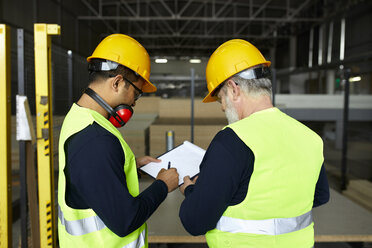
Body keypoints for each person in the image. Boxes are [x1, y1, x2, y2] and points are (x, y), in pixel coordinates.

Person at [179, 39, 330, 248]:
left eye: (220, 98)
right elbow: (320, 196)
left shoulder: (232, 141)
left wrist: (190, 190)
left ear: (233, 89)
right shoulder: (310, 137)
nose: (222, 107)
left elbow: (195, 221)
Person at [57, 34, 179, 248]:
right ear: (117, 82)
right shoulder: (96, 139)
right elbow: (125, 220)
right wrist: (162, 186)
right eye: (137, 93)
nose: (134, 102)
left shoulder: (79, 117)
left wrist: (129, 167)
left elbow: (93, 181)